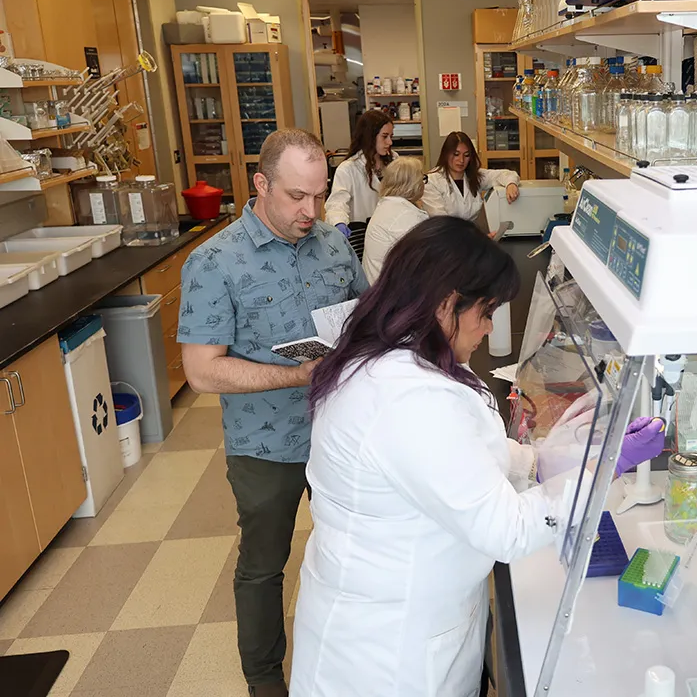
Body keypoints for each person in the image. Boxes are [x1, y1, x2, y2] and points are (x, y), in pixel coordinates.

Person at [289, 216, 664, 697]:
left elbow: (458, 451)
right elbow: (505, 530)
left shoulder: (392, 356)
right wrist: (602, 468)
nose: (489, 326)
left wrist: (537, 462)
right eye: (486, 311)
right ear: (447, 303)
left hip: (417, 616)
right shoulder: (404, 398)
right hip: (389, 655)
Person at [178, 128, 369, 697]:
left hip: (341, 434)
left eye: (319, 194)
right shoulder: (214, 261)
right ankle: (263, 681)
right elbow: (203, 370)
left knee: (353, 551)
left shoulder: (334, 243)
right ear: (261, 185)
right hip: (267, 445)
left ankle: (351, 664)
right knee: (264, 566)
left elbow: (365, 315)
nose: (311, 210)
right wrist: (296, 374)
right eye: (295, 197)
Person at [325, 109, 398, 235]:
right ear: (369, 136)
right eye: (384, 136)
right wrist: (339, 223)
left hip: (392, 231)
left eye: (391, 137)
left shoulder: (395, 160)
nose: (390, 142)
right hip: (363, 235)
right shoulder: (349, 169)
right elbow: (337, 203)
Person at [423, 131, 520, 223]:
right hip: (445, 237)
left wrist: (511, 184)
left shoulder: (474, 176)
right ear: (446, 154)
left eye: (466, 155)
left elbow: (507, 174)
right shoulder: (431, 182)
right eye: (456, 154)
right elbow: (441, 221)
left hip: (470, 234)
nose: (461, 160)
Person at [361, 156, 429, 284]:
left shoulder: (389, 207)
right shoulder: (404, 215)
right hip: (394, 295)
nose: (423, 184)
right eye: (422, 179)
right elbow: (427, 261)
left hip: (383, 289)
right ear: (412, 184)